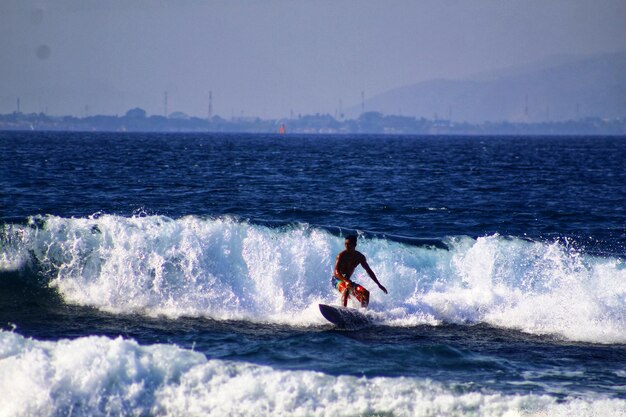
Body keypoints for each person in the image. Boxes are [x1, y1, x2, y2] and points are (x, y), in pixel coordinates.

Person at [332, 235, 387, 308]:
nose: (346, 246)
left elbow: (368, 271)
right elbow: (336, 272)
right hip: (337, 280)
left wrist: (378, 284)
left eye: (349, 244)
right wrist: (345, 281)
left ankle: (362, 313)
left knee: (365, 293)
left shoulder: (360, 257)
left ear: (355, 245)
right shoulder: (341, 256)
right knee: (346, 289)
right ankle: (343, 310)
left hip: (348, 281)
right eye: (345, 244)